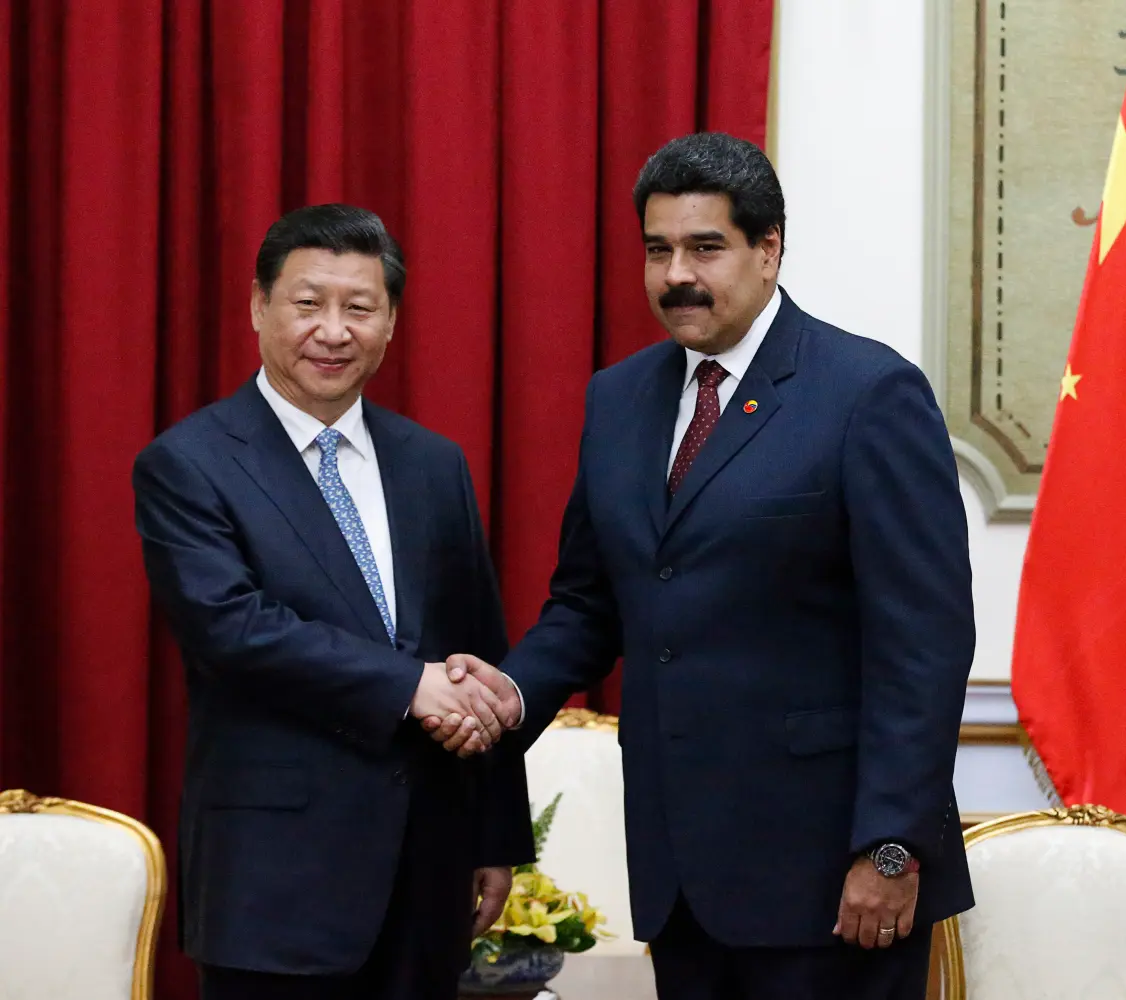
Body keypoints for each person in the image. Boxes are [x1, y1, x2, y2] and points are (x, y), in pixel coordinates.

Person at [445, 132, 976, 999]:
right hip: (682, 879)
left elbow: (924, 644)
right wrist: (507, 693)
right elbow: (588, 604)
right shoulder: (619, 398)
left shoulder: (868, 393)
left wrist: (891, 849)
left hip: (836, 882)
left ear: (768, 250)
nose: (676, 275)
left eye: (705, 248)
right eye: (658, 250)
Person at [132, 204, 532, 1000]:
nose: (333, 330)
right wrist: (407, 685)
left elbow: (478, 648)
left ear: (390, 323)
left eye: (360, 307)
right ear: (258, 307)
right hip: (276, 883)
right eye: (308, 303)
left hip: (426, 879)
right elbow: (232, 630)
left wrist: (495, 836)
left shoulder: (433, 464)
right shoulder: (189, 463)